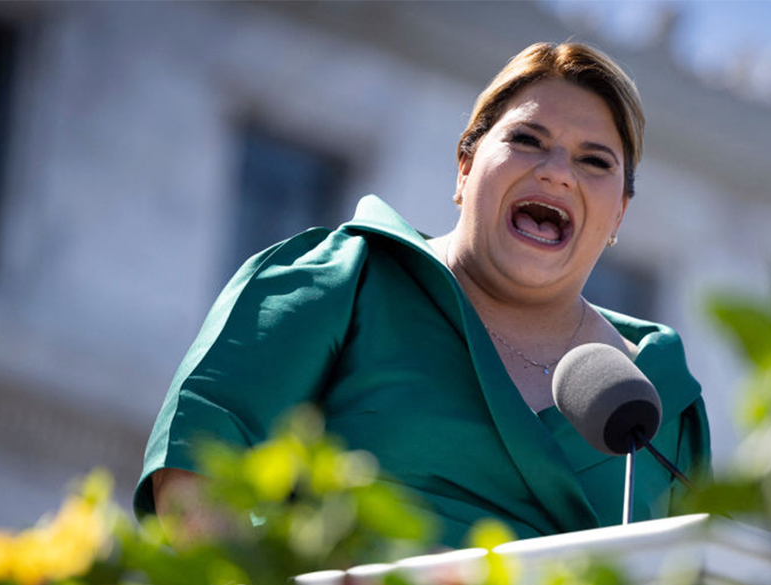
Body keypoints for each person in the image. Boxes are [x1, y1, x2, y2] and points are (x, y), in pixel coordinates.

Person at [136, 42, 710, 548]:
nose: (558, 173)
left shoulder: (662, 396)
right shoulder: (348, 279)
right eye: (527, 140)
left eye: (594, 161)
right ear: (464, 168)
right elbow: (198, 470)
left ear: (619, 215)